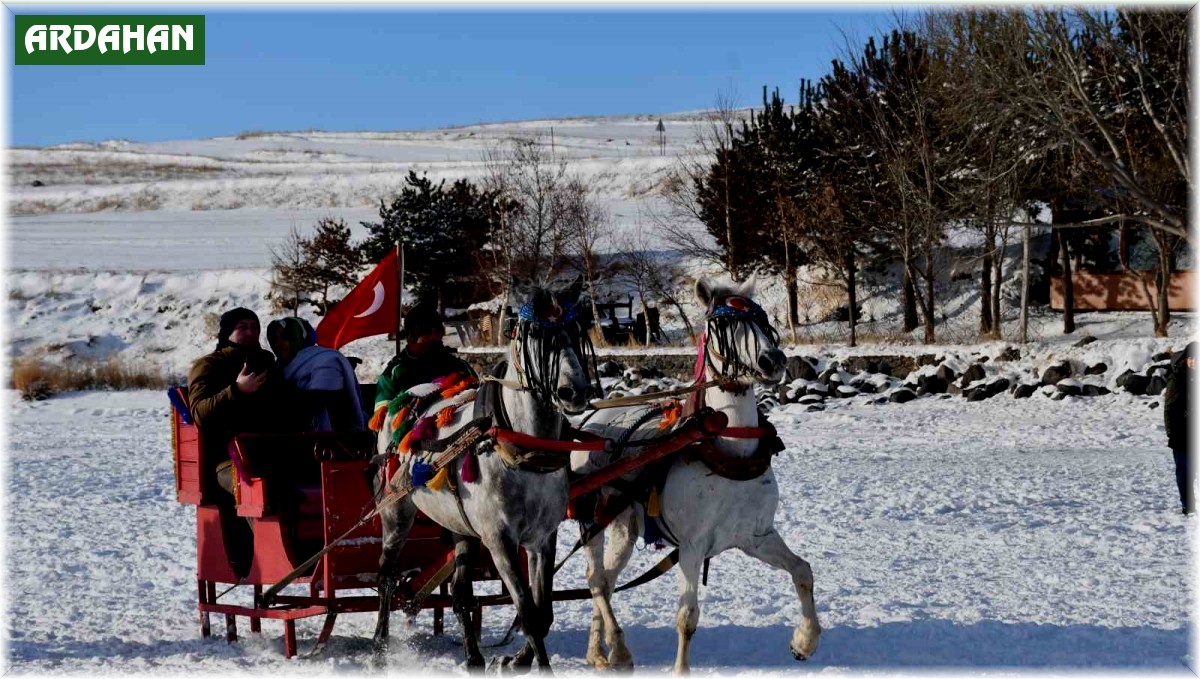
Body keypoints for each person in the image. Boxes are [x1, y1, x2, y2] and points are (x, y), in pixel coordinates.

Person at [187, 307, 291, 576]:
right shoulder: (209, 365)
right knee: (257, 482)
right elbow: (200, 414)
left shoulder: (269, 363)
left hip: (275, 450)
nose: (250, 332)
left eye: (254, 327)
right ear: (227, 332)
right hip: (228, 460)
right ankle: (267, 557)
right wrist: (236, 391)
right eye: (242, 327)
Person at [369, 301, 477, 428]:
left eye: (437, 332)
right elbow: (383, 425)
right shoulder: (395, 372)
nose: (434, 337)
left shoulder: (458, 366)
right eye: (427, 332)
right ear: (412, 336)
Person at [266, 316, 365, 432]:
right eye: (274, 339)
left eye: (285, 336)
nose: (279, 343)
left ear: (298, 336)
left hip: (335, 439)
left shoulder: (327, 361)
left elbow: (315, 402)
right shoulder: (277, 367)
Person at [1164, 341, 1195, 515]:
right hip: (1182, 433)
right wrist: (1172, 433)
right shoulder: (1178, 379)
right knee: (1185, 472)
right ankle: (1188, 505)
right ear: (1186, 360)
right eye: (1192, 358)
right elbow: (1170, 408)